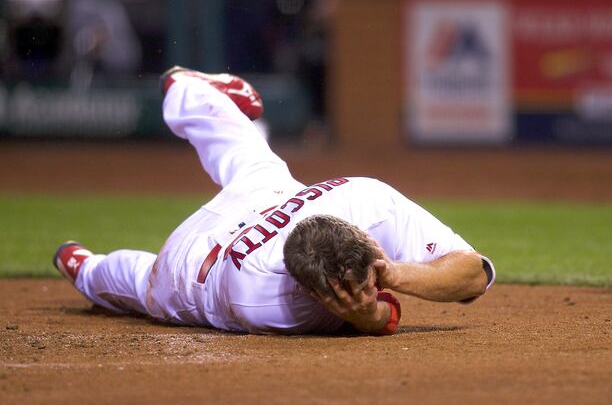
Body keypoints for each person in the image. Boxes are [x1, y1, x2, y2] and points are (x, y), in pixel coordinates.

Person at [53, 67, 496, 335]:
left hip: (271, 201)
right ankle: (86, 267)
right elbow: (381, 317)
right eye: (349, 289)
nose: (363, 287)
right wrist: (369, 314)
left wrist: (396, 271)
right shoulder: (269, 302)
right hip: (195, 263)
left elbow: (475, 272)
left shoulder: (365, 197)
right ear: (307, 289)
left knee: (253, 159)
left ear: (357, 230)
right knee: (147, 284)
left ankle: (186, 91)